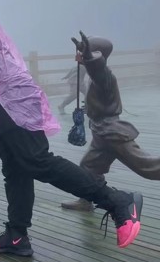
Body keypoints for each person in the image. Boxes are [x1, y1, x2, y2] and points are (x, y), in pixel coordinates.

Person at [0, 0, 142, 255]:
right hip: (3, 102)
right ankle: (17, 236)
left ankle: (118, 201)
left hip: (9, 100)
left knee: (36, 160)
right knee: (15, 169)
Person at [61, 32, 160, 211]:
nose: (79, 56)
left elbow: (97, 69)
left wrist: (89, 57)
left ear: (96, 55)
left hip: (111, 132)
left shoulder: (104, 75)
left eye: (85, 52)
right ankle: (86, 199)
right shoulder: (96, 76)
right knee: (89, 166)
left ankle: (86, 198)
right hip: (101, 131)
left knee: (147, 166)